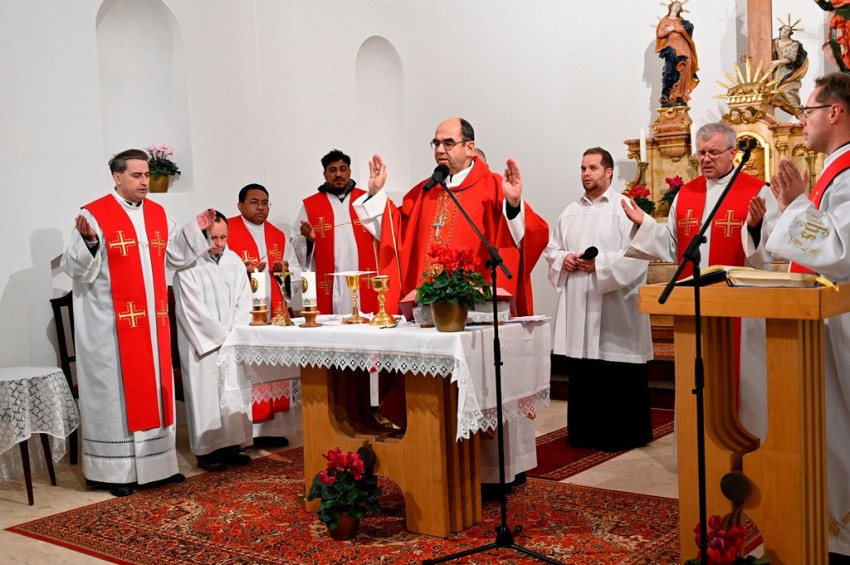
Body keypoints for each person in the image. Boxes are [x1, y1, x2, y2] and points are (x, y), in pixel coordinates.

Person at [354, 117, 550, 485]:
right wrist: (377, 196)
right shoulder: (425, 191)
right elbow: (396, 234)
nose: (440, 150)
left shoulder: (494, 186)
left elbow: (531, 234)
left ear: (469, 148)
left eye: (448, 142)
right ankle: (437, 470)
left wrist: (513, 205)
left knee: (485, 387)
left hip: (477, 318)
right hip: (430, 317)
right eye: (436, 143)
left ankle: (493, 475)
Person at [61, 149, 214, 496]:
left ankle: (159, 466)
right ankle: (114, 473)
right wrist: (89, 241)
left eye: (146, 175)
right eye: (137, 175)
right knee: (115, 396)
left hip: (152, 326)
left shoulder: (157, 213)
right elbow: (75, 269)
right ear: (117, 177)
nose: (145, 181)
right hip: (111, 329)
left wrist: (195, 230)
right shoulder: (95, 213)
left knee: (154, 391)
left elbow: (175, 255)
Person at [621, 122, 778, 441]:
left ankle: (748, 445)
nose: (706, 159)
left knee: (743, 379)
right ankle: (698, 446)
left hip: (740, 310)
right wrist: (645, 224)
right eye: (702, 153)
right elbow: (672, 245)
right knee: (698, 377)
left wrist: (754, 227)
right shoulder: (686, 193)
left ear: (733, 153)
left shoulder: (758, 192)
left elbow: (769, 252)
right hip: (695, 307)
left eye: (713, 153)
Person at [765, 72, 850, 562]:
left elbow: (839, 252)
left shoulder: (847, 173)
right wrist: (792, 206)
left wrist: (796, 205)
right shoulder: (836, 170)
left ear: (834, 112)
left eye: (808, 111)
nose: (802, 121)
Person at [544, 148, 653, 451]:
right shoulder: (570, 211)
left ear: (608, 172)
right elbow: (552, 249)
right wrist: (564, 259)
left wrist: (599, 264)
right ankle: (584, 433)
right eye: (583, 168)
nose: (586, 174)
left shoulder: (624, 208)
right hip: (580, 303)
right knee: (584, 368)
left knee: (615, 366)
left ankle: (623, 435)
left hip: (616, 305)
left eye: (593, 168)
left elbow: (638, 254)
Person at [173, 211, 253, 471]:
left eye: (223, 237)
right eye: (213, 238)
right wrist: (220, 336)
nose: (218, 243)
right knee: (206, 394)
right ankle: (207, 450)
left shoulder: (234, 261)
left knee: (233, 391)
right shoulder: (190, 266)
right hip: (203, 345)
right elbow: (192, 309)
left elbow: (245, 302)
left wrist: (236, 333)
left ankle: (233, 444)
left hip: (232, 340)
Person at [227, 183, 299, 446]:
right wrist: (242, 270)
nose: (261, 207)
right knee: (249, 372)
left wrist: (284, 274)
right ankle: (248, 432)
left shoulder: (278, 235)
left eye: (265, 202)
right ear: (240, 206)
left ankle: (272, 430)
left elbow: (294, 276)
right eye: (254, 202)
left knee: (273, 368)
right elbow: (219, 269)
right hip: (244, 315)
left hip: (274, 313)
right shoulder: (228, 230)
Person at [291, 149, 379, 315]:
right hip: (330, 282)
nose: (338, 174)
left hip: (365, 279)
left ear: (349, 171)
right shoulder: (311, 206)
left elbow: (385, 233)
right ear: (325, 174)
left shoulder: (366, 200)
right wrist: (308, 240)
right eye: (332, 170)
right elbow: (294, 250)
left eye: (342, 169)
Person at [656, 0, 699, 107]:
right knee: (669, 71)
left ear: (680, 9)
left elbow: (689, 29)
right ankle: (666, 95)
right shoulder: (665, 20)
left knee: (683, 71)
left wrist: (674, 28)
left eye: (679, 6)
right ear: (670, 7)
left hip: (683, 48)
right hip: (671, 48)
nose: (677, 6)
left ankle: (679, 94)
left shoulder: (683, 22)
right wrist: (672, 29)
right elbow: (660, 33)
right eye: (676, 4)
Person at [771, 23, 808, 115]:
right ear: (780, 30)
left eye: (787, 30)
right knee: (774, 94)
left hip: (787, 72)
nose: (784, 31)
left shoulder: (794, 44)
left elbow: (792, 58)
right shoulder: (773, 42)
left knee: (787, 91)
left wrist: (778, 62)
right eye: (783, 29)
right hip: (774, 72)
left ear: (790, 33)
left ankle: (799, 113)